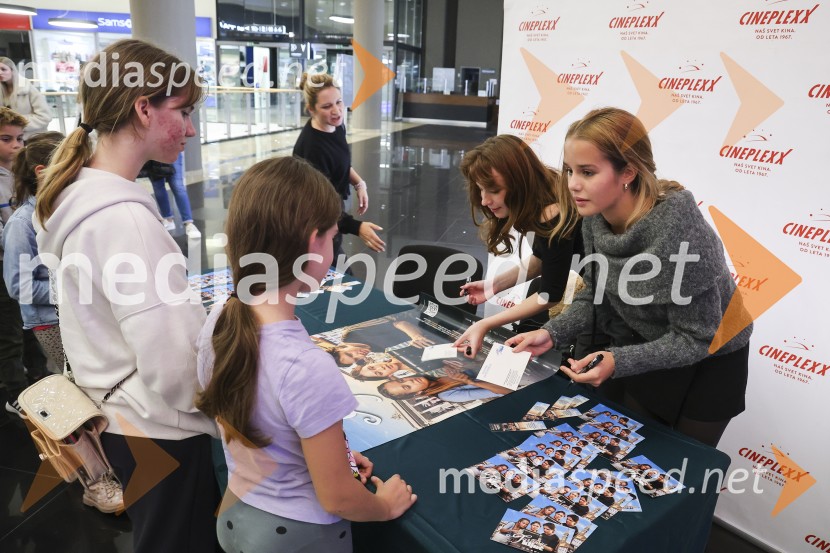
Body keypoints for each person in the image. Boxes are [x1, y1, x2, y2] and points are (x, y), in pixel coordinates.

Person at [35, 39, 220, 552]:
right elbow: (173, 367)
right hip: (160, 427)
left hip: (115, 417)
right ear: (144, 108)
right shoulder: (125, 219)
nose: (190, 128)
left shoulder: (75, 196)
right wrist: (223, 412)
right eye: (182, 111)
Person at [196, 157, 416, 552]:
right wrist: (384, 506)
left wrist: (336, 455)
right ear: (313, 242)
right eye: (333, 236)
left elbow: (260, 421)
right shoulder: (305, 365)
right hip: (300, 535)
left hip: (235, 514)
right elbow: (338, 498)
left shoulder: (220, 317)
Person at [508, 107, 752, 447]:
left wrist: (618, 360)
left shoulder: (679, 233)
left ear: (628, 172)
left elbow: (696, 339)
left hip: (713, 357)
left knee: (682, 466)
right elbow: (598, 294)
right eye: (569, 170)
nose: (573, 184)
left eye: (588, 172)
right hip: (651, 342)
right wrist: (552, 332)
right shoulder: (594, 217)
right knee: (633, 449)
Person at [452, 134, 582, 358]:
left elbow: (549, 295)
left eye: (494, 190)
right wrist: (494, 285)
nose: (484, 200)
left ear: (518, 182)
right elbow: (544, 259)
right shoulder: (544, 190)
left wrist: (485, 324)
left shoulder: (551, 212)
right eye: (481, 189)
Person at [292, 72, 385, 258]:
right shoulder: (312, 148)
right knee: (332, 271)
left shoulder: (335, 126)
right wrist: (357, 227)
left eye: (339, 102)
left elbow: (340, 163)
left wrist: (359, 183)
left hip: (332, 211)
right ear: (311, 109)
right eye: (327, 106)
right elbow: (320, 205)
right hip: (314, 222)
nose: (337, 110)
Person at [0, 108, 48, 416]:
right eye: (6, 139)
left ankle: (39, 377)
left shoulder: (19, 172)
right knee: (8, 333)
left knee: (27, 325)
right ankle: (15, 391)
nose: (16, 145)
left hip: (23, 258)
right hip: (4, 264)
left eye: (19, 138)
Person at [3, 131, 64, 368]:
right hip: (50, 322)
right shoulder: (22, 224)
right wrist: (73, 292)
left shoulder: (62, 211)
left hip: (71, 312)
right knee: (81, 383)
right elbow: (20, 286)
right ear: (42, 173)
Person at [143, 152, 200, 237]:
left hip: (173, 150)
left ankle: (189, 223)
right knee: (158, 187)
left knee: (177, 186)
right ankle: (168, 219)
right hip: (153, 154)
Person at [377, 368, 511, 403]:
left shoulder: (429, 370)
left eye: (402, 380)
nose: (409, 381)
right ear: (416, 394)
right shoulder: (447, 395)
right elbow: (506, 391)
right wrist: (470, 381)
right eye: (407, 387)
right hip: (515, 376)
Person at [0, 58, 51, 139]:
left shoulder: (27, 88)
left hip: (33, 139)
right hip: (11, 139)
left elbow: (44, 117)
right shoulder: (2, 90)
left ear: (12, 70)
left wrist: (17, 123)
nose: (0, 72)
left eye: (3, 69)